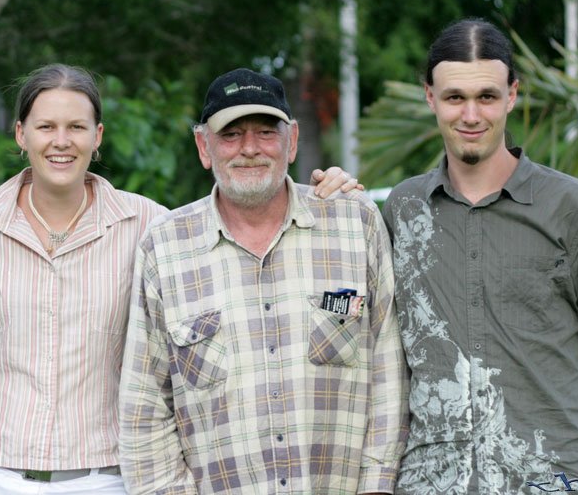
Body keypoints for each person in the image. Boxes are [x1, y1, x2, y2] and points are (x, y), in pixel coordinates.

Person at [0, 63, 357, 495]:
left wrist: (324, 192)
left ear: (98, 137)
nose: (61, 141)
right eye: (46, 126)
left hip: (105, 476)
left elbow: (239, 243)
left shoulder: (151, 227)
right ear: (21, 135)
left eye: (76, 126)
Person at [118, 68, 409, 494]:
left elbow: (388, 372)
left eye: (265, 133)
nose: (250, 149)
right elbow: (144, 409)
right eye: (231, 134)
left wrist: (376, 486)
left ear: (291, 141)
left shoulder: (354, 222)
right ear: (204, 146)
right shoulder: (165, 248)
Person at [380, 19, 578, 493]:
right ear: (430, 98)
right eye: (455, 97)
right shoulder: (404, 209)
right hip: (431, 483)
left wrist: (550, 461)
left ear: (512, 95)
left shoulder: (575, 209)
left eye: (487, 96)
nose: (471, 115)